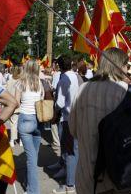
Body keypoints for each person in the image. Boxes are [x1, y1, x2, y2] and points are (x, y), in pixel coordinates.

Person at [69, 48, 131, 193]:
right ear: (121, 65)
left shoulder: (82, 90)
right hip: (122, 179)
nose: (127, 69)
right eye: (127, 66)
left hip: (88, 179)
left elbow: (73, 129)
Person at [13, 60, 43, 194]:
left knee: (31, 159)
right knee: (33, 157)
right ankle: (28, 181)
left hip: (25, 119)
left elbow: (16, 103)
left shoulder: (20, 83)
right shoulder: (39, 83)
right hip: (38, 120)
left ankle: (33, 191)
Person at [52, 55, 79, 194]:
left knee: (70, 152)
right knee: (74, 151)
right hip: (77, 116)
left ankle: (70, 184)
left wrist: (54, 109)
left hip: (67, 118)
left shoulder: (64, 79)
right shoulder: (75, 76)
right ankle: (70, 177)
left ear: (60, 66)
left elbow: (60, 103)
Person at [6, 66, 22, 147]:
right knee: (20, 123)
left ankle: (12, 140)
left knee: (13, 123)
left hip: (10, 104)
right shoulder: (21, 82)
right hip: (19, 105)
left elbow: (6, 92)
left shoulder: (9, 81)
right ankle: (21, 141)